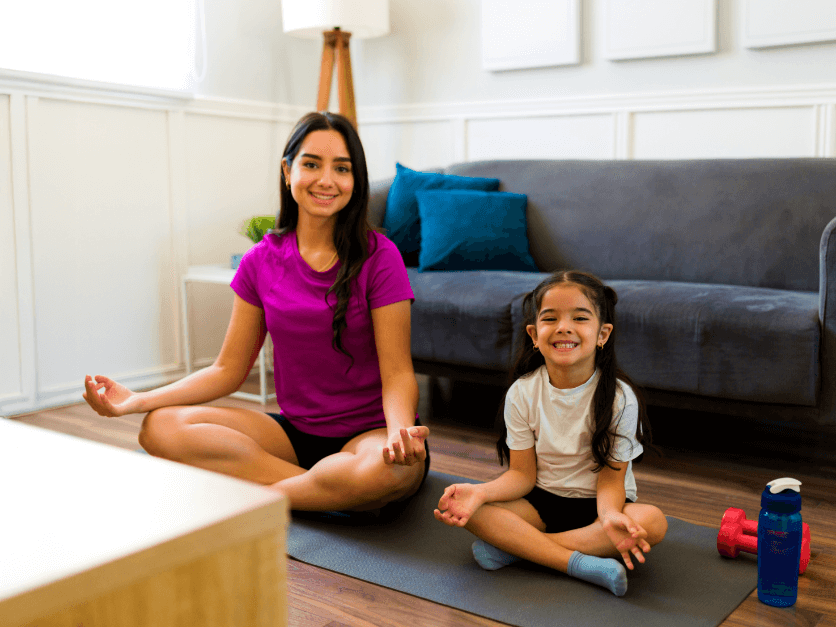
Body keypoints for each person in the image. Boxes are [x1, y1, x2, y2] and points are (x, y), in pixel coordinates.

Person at [82, 111, 428, 513]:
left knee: (389, 471)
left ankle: (262, 494)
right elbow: (227, 370)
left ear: (357, 179)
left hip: (368, 434)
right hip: (293, 435)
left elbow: (398, 372)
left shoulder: (380, 257)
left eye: (342, 168)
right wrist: (137, 400)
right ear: (288, 170)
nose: (326, 180)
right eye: (312, 164)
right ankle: (320, 490)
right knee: (159, 429)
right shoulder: (260, 261)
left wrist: (400, 433)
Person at [433, 270, 666, 596]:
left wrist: (612, 516)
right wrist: (481, 492)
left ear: (603, 334)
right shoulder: (522, 393)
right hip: (540, 502)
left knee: (653, 521)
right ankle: (578, 562)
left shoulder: (620, 398)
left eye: (580, 317)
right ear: (534, 333)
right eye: (550, 318)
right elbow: (521, 476)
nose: (564, 326)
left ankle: (520, 550)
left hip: (599, 506)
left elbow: (612, 481)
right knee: (473, 513)